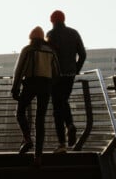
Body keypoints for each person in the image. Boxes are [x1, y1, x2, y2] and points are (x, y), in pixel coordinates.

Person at [11, 26, 60, 166]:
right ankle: (38, 156)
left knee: (20, 112)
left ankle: (27, 139)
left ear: (31, 37)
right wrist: (51, 85)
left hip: (31, 83)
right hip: (46, 86)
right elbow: (57, 72)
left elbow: (19, 69)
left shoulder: (28, 49)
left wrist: (15, 88)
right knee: (40, 120)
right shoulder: (50, 51)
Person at [47, 9, 86, 153]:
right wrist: (76, 69)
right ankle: (70, 125)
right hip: (69, 75)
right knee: (63, 101)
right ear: (64, 19)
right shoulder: (74, 33)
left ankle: (62, 143)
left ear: (52, 21)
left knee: (57, 108)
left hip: (55, 75)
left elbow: (48, 57)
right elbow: (83, 54)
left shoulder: (50, 35)